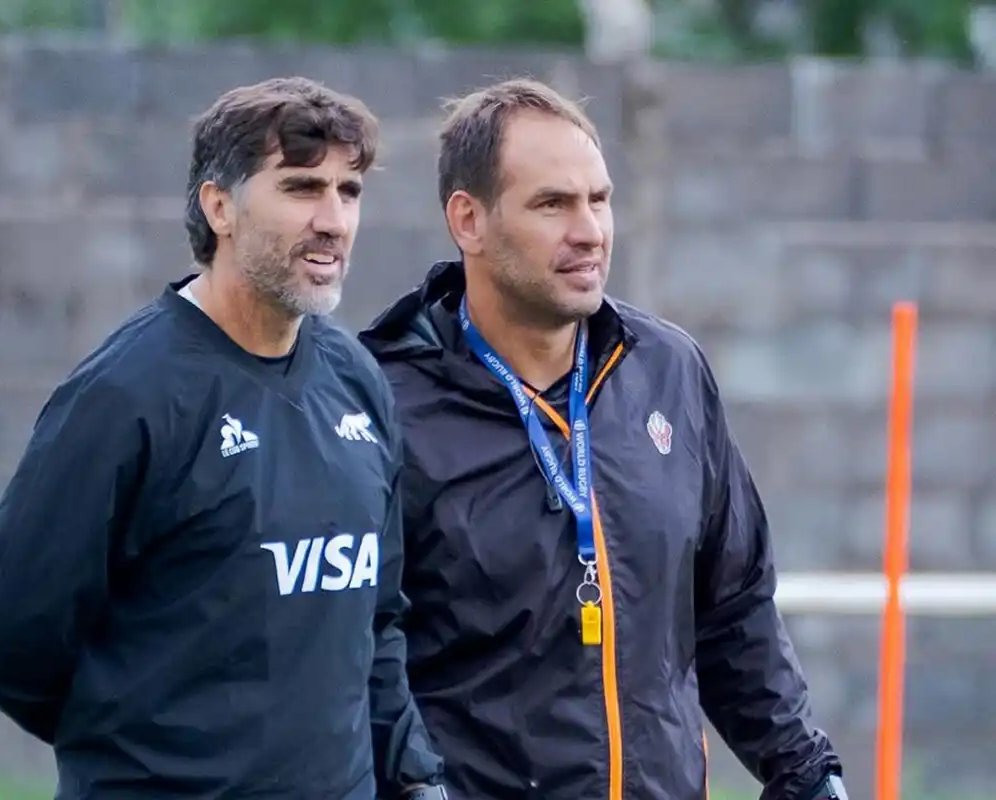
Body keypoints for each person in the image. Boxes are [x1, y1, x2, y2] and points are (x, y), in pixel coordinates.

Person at [0, 77, 446, 800]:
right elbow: (2, 641)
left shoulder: (357, 381)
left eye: (349, 191)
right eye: (301, 188)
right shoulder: (126, 396)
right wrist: (149, 753)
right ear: (220, 207)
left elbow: (377, 624)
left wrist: (416, 780)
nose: (333, 220)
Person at [358, 79, 848, 800]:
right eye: (553, 204)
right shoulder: (377, 401)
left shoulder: (667, 370)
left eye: (599, 199)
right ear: (469, 220)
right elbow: (361, 650)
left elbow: (734, 605)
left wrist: (806, 772)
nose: (589, 230)